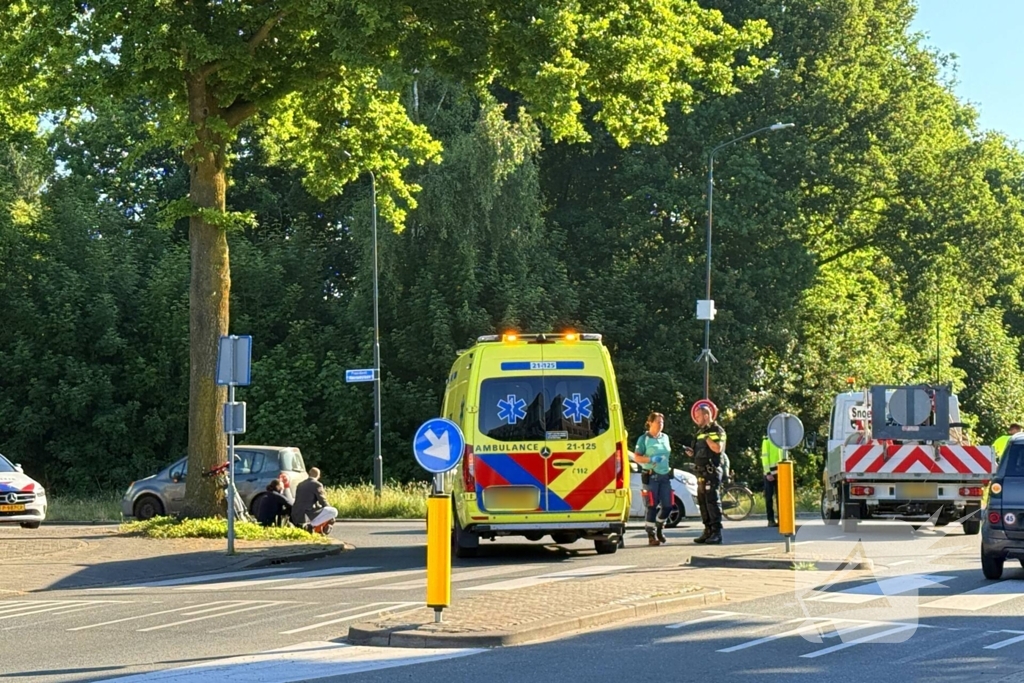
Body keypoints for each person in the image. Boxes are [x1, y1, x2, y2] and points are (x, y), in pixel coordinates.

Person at [687, 405, 726, 545]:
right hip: (701, 472)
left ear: (706, 415)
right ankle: (707, 530)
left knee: (712, 502)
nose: (696, 419)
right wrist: (692, 453)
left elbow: (718, 448)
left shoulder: (717, 430)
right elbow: (699, 452)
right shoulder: (699, 432)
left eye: (698, 416)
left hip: (712, 472)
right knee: (703, 502)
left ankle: (716, 532)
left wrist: (708, 439)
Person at [632, 412, 673, 546]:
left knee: (668, 505)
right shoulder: (644, 439)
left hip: (664, 475)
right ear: (650, 423)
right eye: (658, 422)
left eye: (662, 422)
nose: (661, 425)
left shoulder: (665, 437)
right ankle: (651, 534)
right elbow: (637, 457)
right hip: (651, 475)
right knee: (651, 505)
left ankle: (660, 526)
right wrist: (650, 459)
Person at [291, 467, 338, 534]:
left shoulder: (300, 484)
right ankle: (311, 526)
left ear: (309, 474)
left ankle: (314, 528)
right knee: (333, 511)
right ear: (318, 476)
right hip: (307, 513)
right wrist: (329, 511)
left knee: (325, 512)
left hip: (296, 513)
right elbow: (323, 501)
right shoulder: (317, 484)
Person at [761, 437, 783, 528]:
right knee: (769, 497)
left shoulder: (782, 439)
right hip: (770, 474)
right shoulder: (767, 440)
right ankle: (770, 520)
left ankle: (781, 519)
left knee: (781, 498)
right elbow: (764, 458)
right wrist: (767, 473)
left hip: (781, 472)